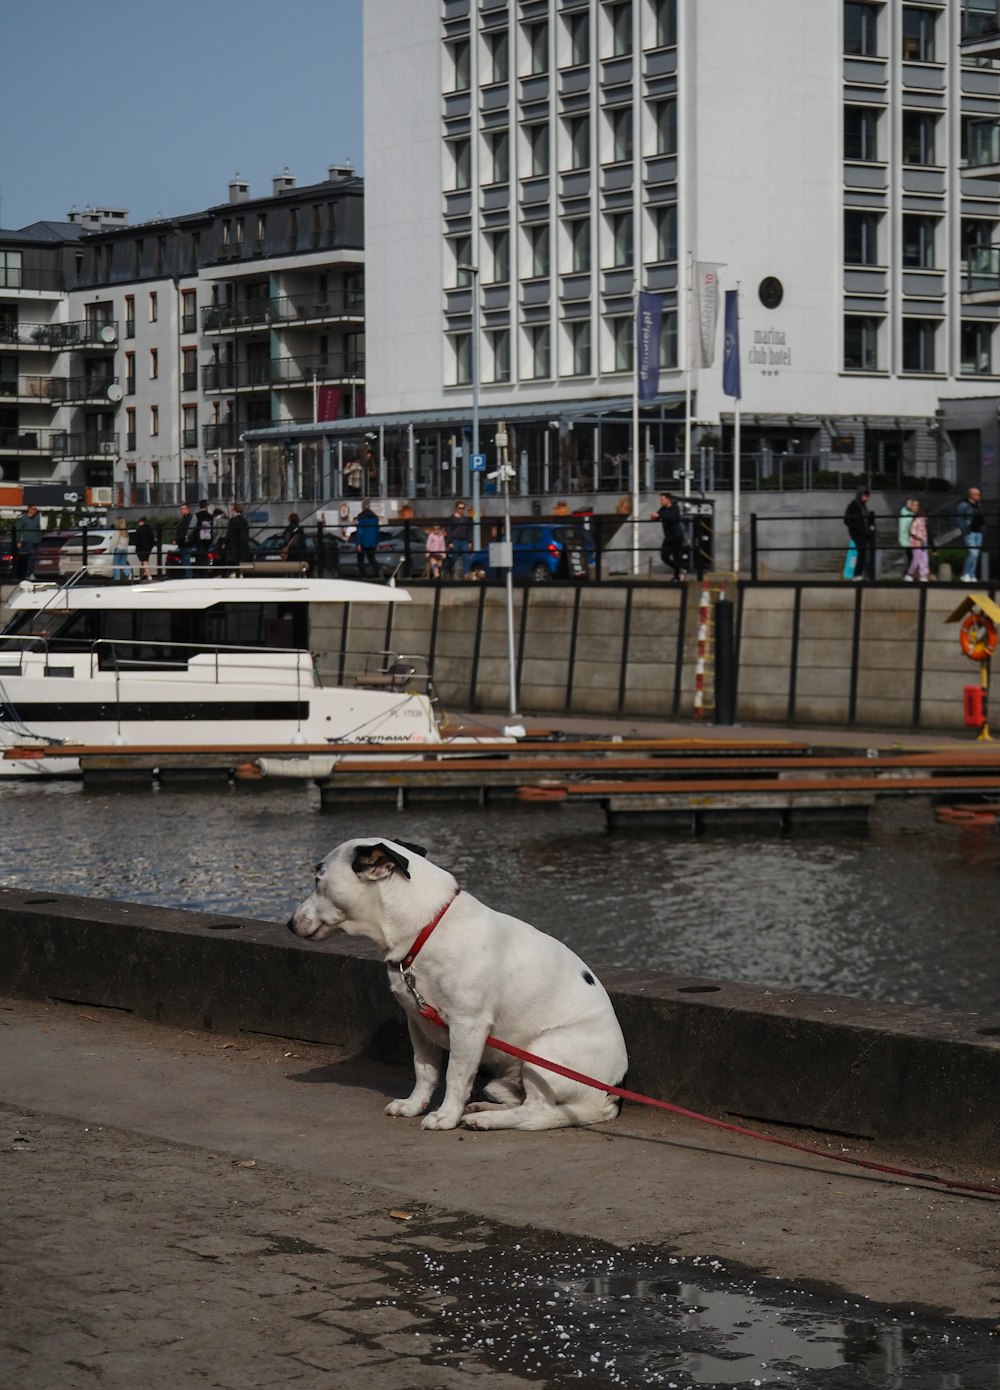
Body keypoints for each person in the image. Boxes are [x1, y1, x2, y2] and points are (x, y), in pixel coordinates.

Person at [652, 491, 687, 582]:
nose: (660, 502)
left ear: (668, 500)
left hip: (676, 536)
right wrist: (654, 516)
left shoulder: (675, 507)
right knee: (664, 556)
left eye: (662, 500)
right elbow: (658, 516)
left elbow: (673, 517)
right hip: (668, 537)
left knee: (677, 556)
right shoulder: (663, 509)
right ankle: (680, 570)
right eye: (660, 500)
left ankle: (677, 576)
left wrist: (659, 515)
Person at [843, 487, 872, 582]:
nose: (867, 498)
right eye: (865, 496)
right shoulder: (853, 505)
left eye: (868, 496)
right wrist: (857, 528)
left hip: (864, 533)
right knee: (862, 553)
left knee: (863, 553)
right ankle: (857, 574)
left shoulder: (862, 506)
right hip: (858, 534)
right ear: (860, 495)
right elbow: (847, 520)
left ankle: (860, 574)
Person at [956, 485, 984, 583]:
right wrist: (965, 531)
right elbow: (959, 520)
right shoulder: (963, 505)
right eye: (977, 494)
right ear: (971, 495)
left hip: (978, 532)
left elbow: (981, 518)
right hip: (970, 532)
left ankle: (972, 574)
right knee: (973, 553)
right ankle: (965, 573)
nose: (979, 496)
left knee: (976, 555)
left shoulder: (978, 505)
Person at [353, 499, 381, 577]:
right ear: (369, 506)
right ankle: (379, 569)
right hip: (372, 542)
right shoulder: (375, 517)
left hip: (363, 542)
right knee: (372, 559)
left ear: (362, 506)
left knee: (360, 560)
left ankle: (363, 576)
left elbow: (360, 531)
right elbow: (377, 530)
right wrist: (377, 542)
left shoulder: (361, 517)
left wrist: (358, 543)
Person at [222, 503, 252, 575]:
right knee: (240, 561)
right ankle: (240, 574)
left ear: (235, 510)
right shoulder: (244, 521)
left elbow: (229, 533)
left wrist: (224, 542)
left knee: (232, 561)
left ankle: (232, 573)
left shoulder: (233, 521)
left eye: (232, 510)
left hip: (233, 544)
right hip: (242, 544)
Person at [14, 502, 42, 579]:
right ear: (29, 509)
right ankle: (29, 574)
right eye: (34, 509)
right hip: (28, 540)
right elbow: (19, 530)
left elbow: (38, 527)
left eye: (36, 509)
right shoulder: (23, 518)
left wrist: (40, 537)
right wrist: (18, 541)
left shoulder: (37, 517)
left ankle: (31, 572)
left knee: (34, 557)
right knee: (31, 555)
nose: (35, 511)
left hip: (36, 540)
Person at [904, 500, 930, 582]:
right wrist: (920, 538)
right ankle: (909, 573)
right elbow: (912, 531)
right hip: (917, 543)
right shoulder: (917, 520)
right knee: (916, 558)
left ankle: (923, 575)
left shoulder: (923, 522)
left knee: (924, 559)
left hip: (923, 542)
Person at [446, 500, 471, 578]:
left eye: (463, 508)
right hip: (455, 540)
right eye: (460, 508)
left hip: (464, 540)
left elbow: (468, 530)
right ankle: (448, 568)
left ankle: (466, 574)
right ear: (456, 508)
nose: (462, 510)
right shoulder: (452, 518)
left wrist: (470, 542)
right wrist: (450, 542)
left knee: (466, 557)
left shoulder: (465, 519)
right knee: (454, 557)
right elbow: (449, 530)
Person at [175, 501, 195, 578]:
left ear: (188, 509)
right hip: (184, 544)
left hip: (186, 544)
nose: (181, 511)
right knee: (185, 562)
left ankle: (189, 577)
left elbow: (185, 532)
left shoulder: (188, 519)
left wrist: (177, 539)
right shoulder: (185, 519)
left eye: (183, 509)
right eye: (181, 509)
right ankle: (188, 577)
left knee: (186, 562)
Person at [193, 500, 214, 573]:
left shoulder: (196, 515)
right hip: (208, 538)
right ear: (206, 506)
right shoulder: (210, 516)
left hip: (199, 538)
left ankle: (200, 571)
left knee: (199, 555)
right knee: (206, 554)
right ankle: (205, 570)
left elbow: (192, 527)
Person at [133, 516, 155, 582]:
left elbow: (137, 540)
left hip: (141, 548)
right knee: (143, 562)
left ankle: (149, 576)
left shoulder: (139, 530)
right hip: (148, 548)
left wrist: (137, 548)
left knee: (144, 562)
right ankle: (141, 576)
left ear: (142, 522)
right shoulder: (150, 529)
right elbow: (152, 540)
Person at [112, 517, 132, 583]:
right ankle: (129, 573)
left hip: (118, 548)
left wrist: (111, 548)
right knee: (123, 563)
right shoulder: (126, 532)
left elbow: (114, 541)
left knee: (116, 564)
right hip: (125, 549)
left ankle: (117, 579)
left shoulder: (117, 531)